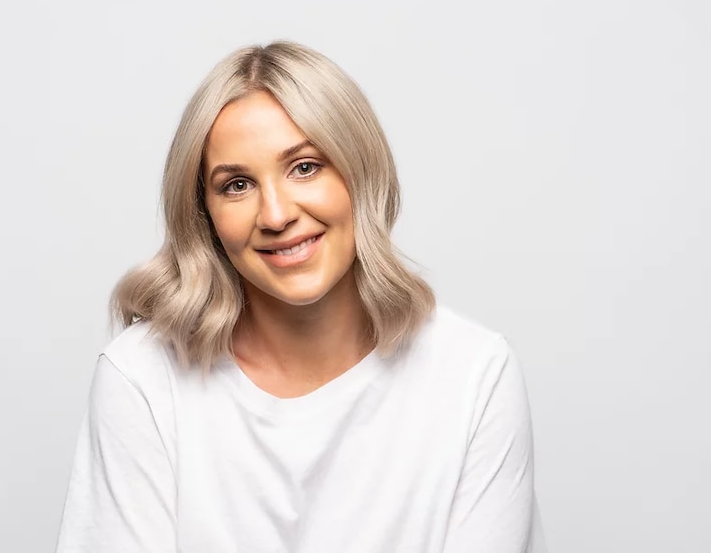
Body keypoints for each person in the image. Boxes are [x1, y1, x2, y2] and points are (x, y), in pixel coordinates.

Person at [55, 41, 546, 552]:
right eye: (237, 184)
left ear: (360, 172)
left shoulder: (472, 374)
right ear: (204, 214)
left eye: (305, 167)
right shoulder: (142, 379)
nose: (275, 215)